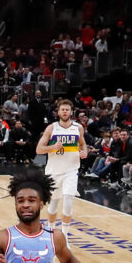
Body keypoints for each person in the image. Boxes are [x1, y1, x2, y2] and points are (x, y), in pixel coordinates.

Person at [35, 99, 87, 236]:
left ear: (71, 112)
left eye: (67, 109)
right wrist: (53, 147)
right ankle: (50, 231)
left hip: (71, 170)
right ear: (58, 112)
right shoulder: (51, 128)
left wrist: (84, 152)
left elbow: (83, 144)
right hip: (54, 171)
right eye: (62, 109)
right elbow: (39, 150)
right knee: (53, 204)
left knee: (68, 200)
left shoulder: (78, 128)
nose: (65, 112)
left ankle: (64, 236)